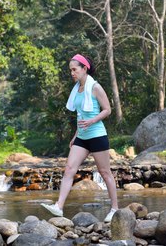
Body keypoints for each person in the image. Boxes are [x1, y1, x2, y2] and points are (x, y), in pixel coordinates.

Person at [41, 54, 119, 222]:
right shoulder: (76, 89)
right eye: (70, 70)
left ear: (84, 69)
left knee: (105, 173)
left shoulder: (95, 87)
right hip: (82, 137)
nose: (72, 73)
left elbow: (107, 110)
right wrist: (75, 135)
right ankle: (59, 207)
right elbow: (80, 114)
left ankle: (114, 209)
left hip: (97, 135)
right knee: (69, 169)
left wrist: (92, 120)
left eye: (74, 69)